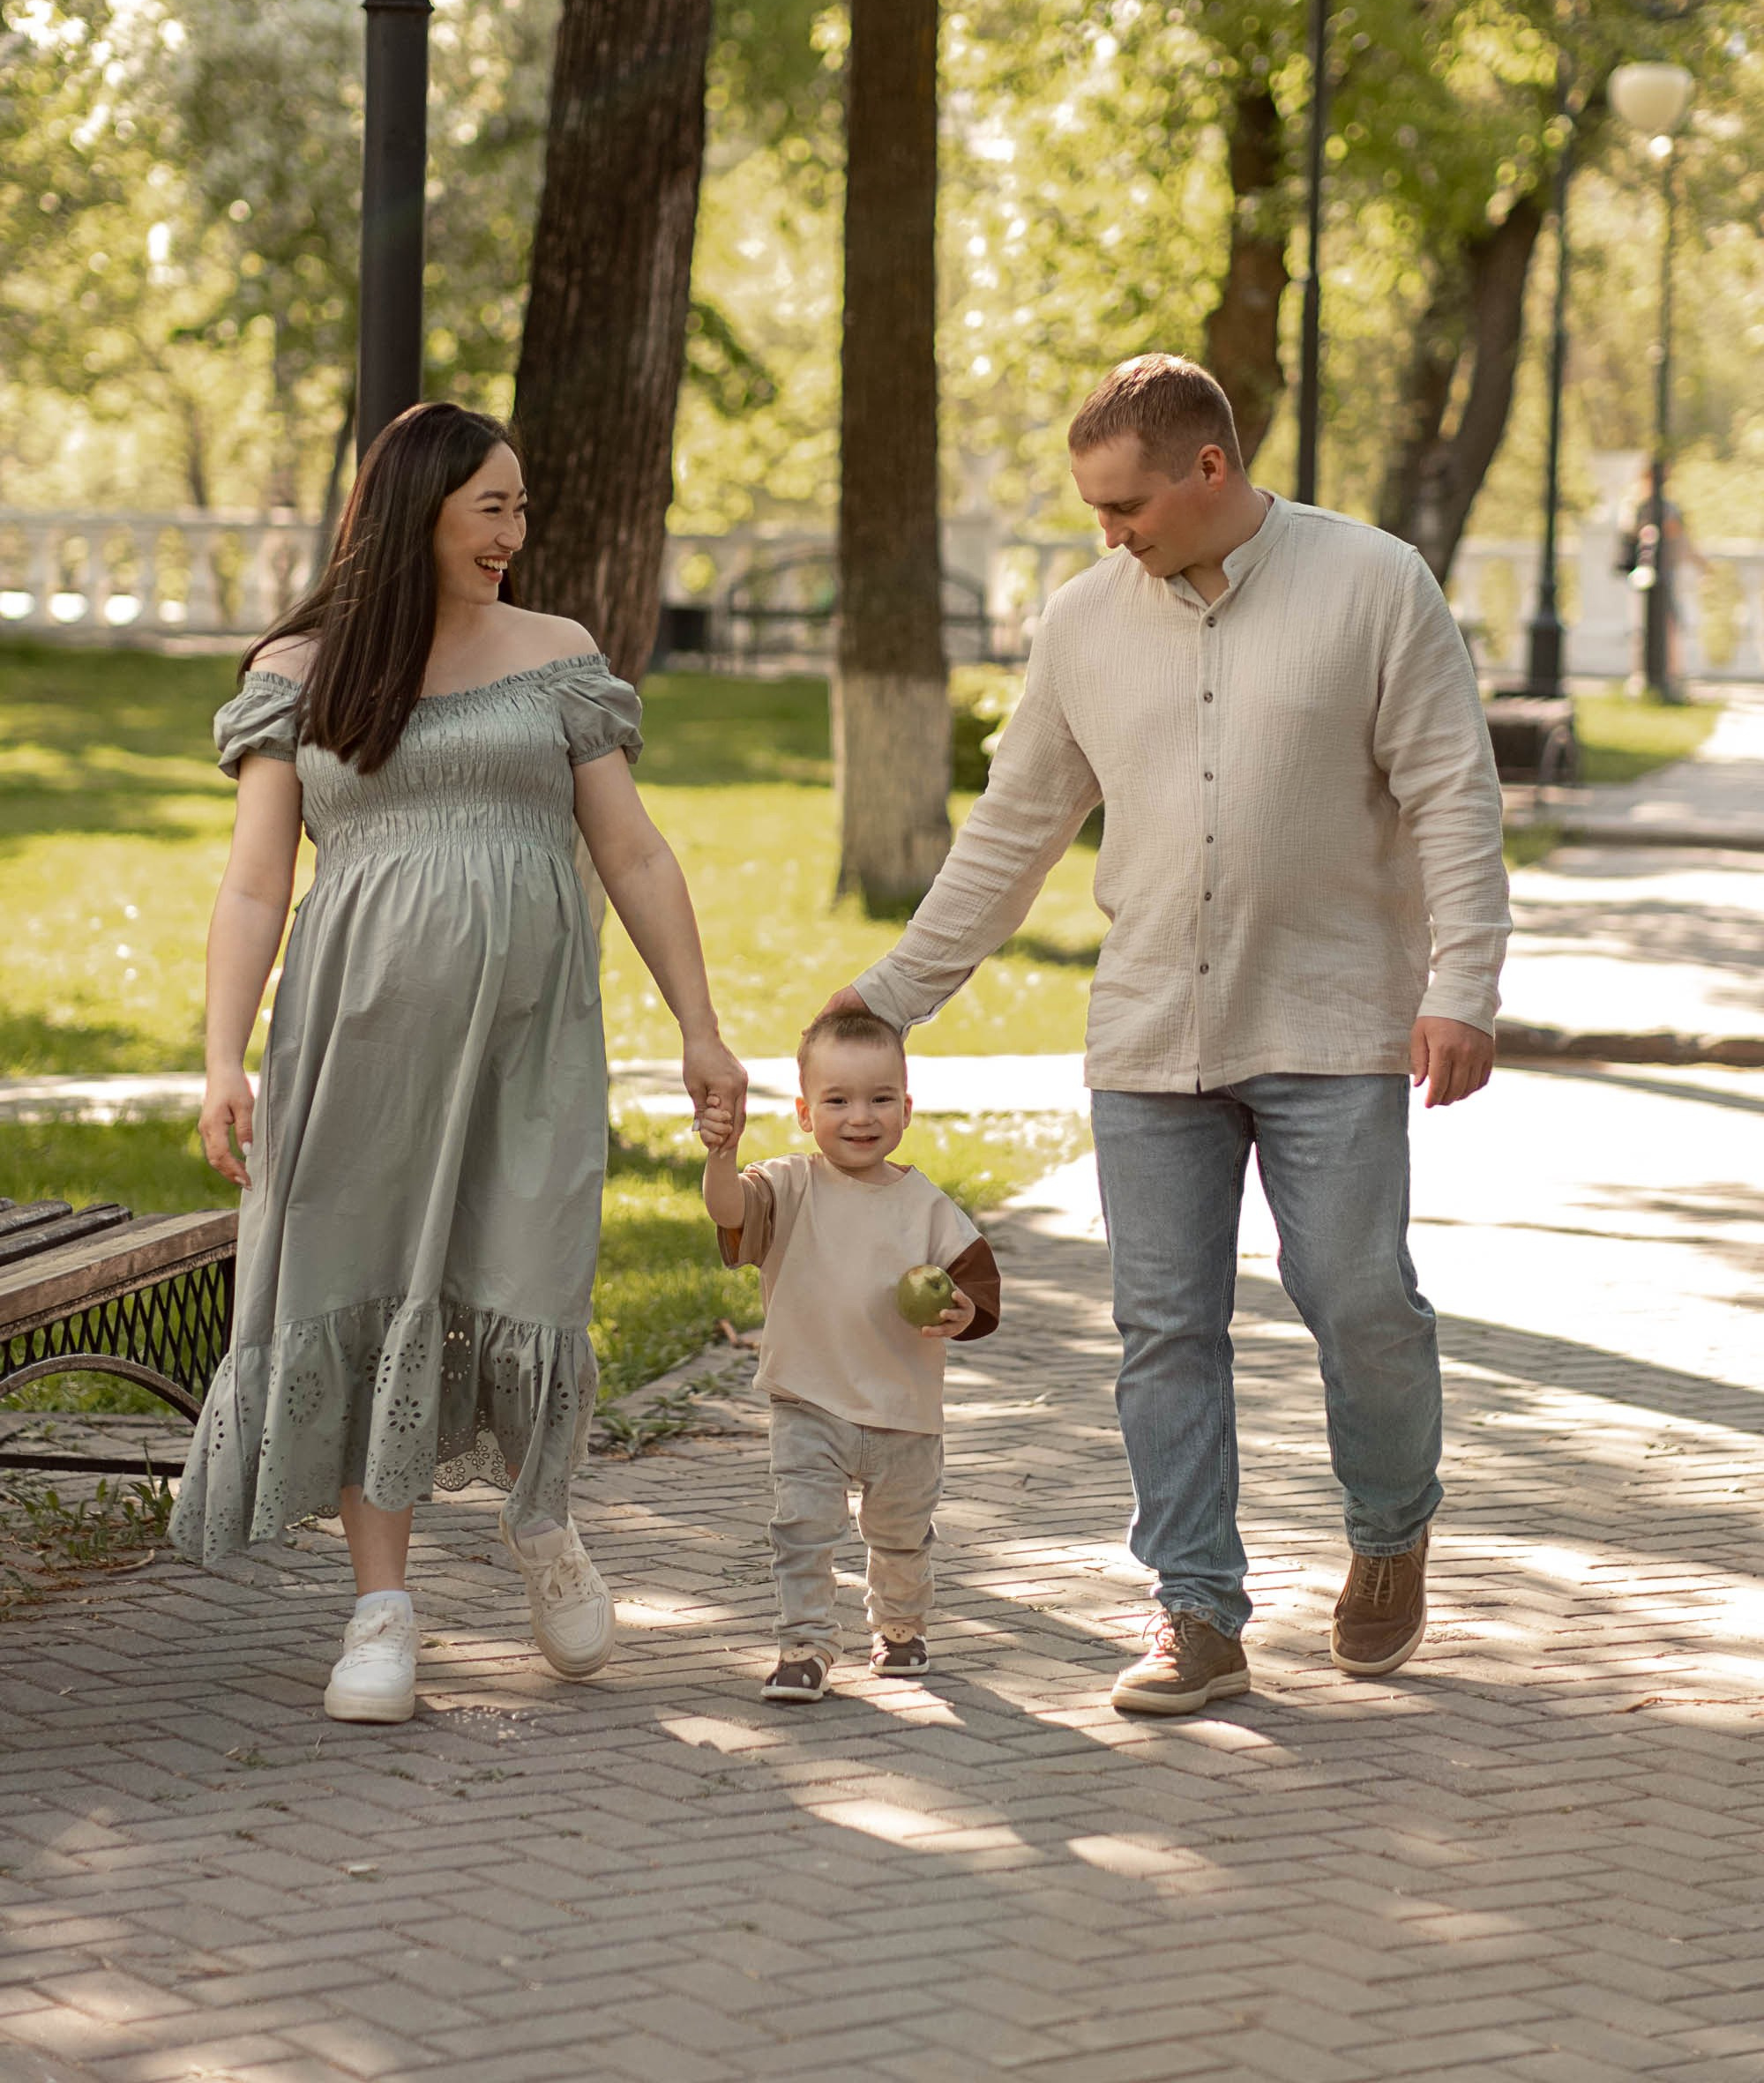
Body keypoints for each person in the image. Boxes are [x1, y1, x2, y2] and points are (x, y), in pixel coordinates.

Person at [824, 355, 1509, 1715]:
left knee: (1358, 1298)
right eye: (1095, 508)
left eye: (1128, 504)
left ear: (1210, 469)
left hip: (1332, 1018)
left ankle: (1388, 1532)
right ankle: (1195, 1609)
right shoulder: (1083, 622)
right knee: (1164, 1330)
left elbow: (1454, 795)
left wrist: (1463, 987)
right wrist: (887, 999)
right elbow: (1013, 830)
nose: (1111, 533)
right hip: (1150, 1034)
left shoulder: (1375, 585)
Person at [171, 403, 747, 1725]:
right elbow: (256, 885)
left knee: (532, 1269)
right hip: (354, 1049)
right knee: (365, 1289)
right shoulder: (302, 669)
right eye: (493, 505)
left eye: (523, 508)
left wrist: (698, 1024)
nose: (514, 533)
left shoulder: (558, 658)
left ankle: (542, 1523)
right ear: (418, 505)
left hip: (527, 1043)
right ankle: (382, 1611)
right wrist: (222, 1058)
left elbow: (635, 854)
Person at [699, 1007, 1000, 1703]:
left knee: (899, 1536)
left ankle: (899, 1627)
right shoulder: (789, 1186)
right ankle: (804, 1642)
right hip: (808, 1399)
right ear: (805, 1113)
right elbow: (729, 1212)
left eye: (879, 1099)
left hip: (903, 1411)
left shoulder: (928, 1206)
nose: (860, 1117)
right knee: (802, 1529)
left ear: (906, 1108)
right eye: (837, 1101)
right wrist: (721, 1155)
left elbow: (976, 1284)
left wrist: (961, 1309)